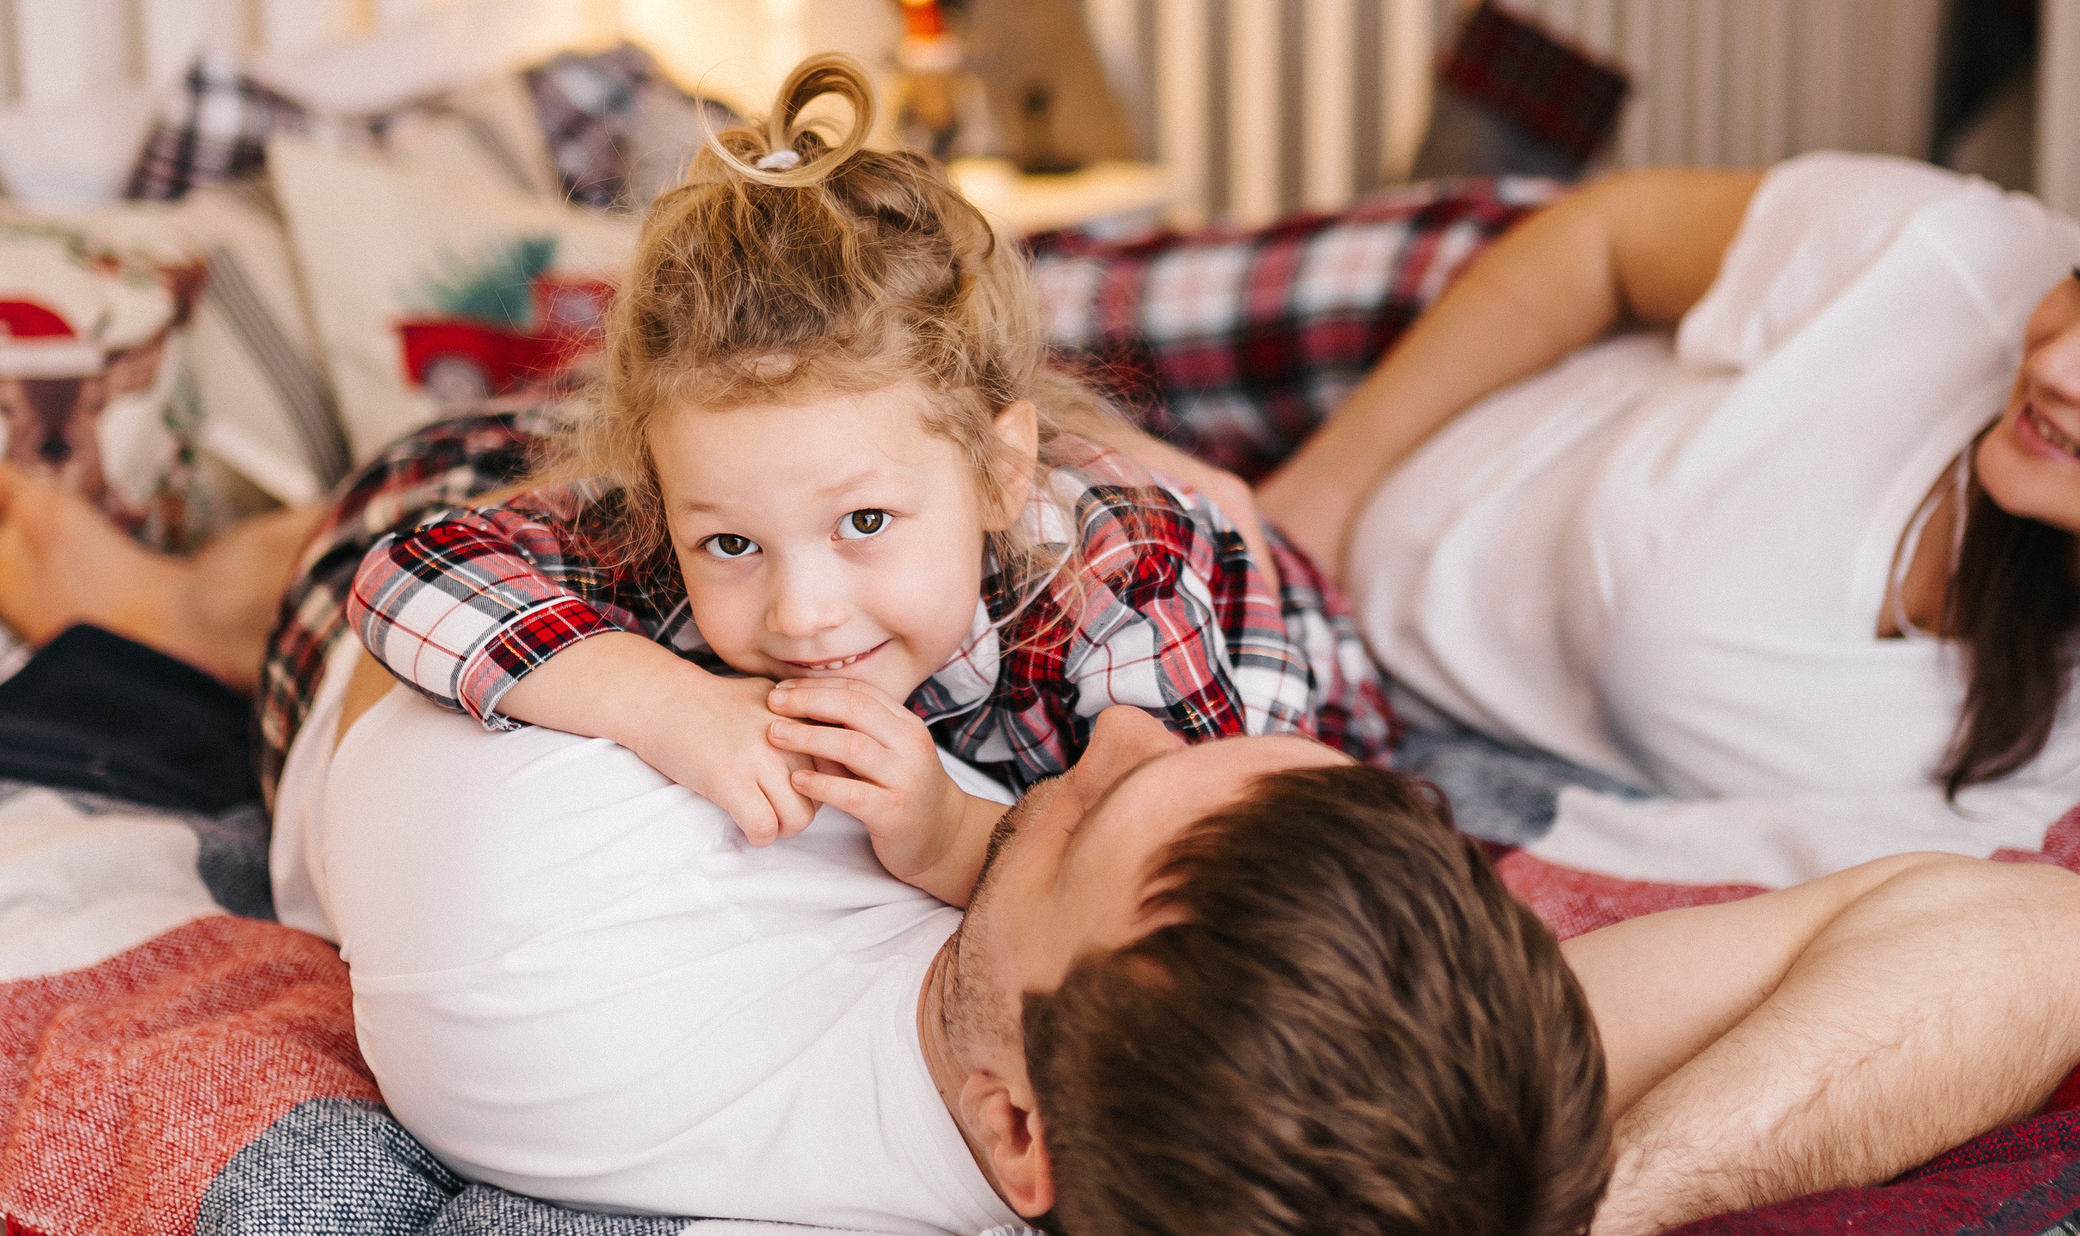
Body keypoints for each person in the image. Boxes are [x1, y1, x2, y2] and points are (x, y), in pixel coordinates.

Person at [1258, 124, 2080, 983]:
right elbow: (1599, 239)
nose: (2056, 361)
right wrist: (1317, 493)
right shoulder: (1953, 259)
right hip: (1389, 387)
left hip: (1352, 662)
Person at [320, 676, 2080, 1236]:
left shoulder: (537, 910)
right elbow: (2055, 932)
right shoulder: (1298, 1109)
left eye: (1086, 816)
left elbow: (447, 617)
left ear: (1018, 1132)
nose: (1100, 722)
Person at [329, 52, 1388, 897]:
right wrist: (664, 705)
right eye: (732, 545)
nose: (803, 613)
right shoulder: (692, 504)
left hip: (1268, 638)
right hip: (454, 458)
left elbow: (1175, 868)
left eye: (865, 522)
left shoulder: (1122, 584)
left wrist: (950, 835)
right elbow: (402, 572)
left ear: (997, 472)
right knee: (352, 561)